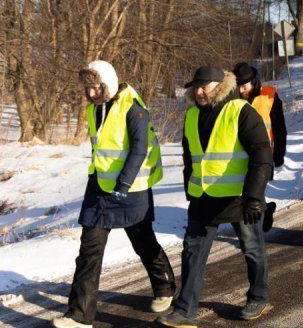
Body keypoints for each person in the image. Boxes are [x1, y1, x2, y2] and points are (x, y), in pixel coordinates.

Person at [54, 61, 175, 328]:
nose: (92, 92)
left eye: (97, 87)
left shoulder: (133, 108)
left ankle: (165, 288)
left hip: (130, 189)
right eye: (88, 88)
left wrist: (123, 184)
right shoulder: (93, 110)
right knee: (89, 249)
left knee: (143, 241)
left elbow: (139, 149)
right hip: (100, 188)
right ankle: (80, 315)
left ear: (108, 83)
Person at [157, 66, 273, 327]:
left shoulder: (241, 111)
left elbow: (262, 156)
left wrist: (255, 197)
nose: (199, 91)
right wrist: (189, 186)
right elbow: (190, 157)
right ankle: (185, 311)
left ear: (219, 86)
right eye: (195, 86)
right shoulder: (190, 116)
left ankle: (258, 296)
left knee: (252, 248)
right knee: (192, 252)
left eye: (204, 86)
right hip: (203, 196)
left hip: (240, 196)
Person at [233, 62, 288, 231]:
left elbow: (280, 128)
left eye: (244, 86)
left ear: (253, 82)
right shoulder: (233, 100)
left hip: (265, 155)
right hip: (240, 155)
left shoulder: (269, 96)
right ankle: (265, 209)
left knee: (255, 189)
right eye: (238, 87)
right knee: (250, 190)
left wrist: (279, 153)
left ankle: (257, 223)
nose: (241, 91)